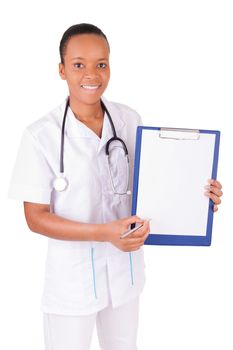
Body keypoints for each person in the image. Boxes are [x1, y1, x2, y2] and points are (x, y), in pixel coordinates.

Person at [8, 23, 223, 350]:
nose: (91, 74)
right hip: (72, 281)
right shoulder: (40, 135)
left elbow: (153, 184)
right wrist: (104, 233)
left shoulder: (129, 120)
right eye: (79, 64)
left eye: (101, 64)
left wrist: (197, 197)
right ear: (62, 70)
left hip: (125, 274)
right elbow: (35, 217)